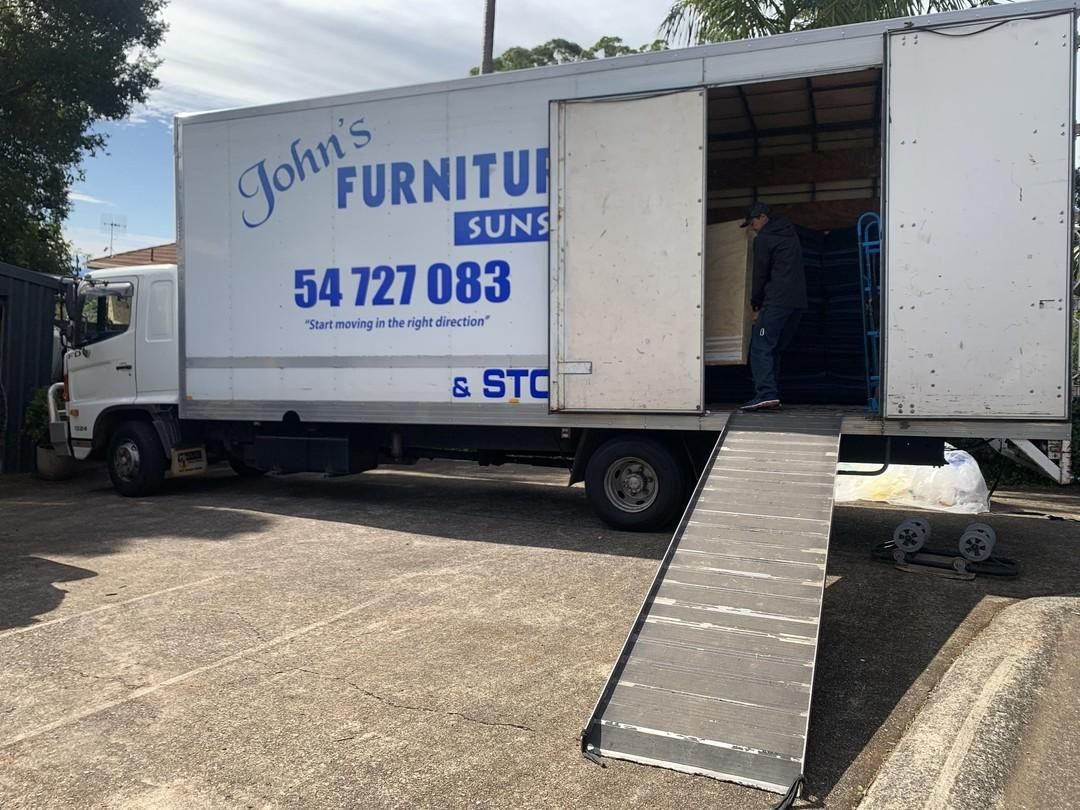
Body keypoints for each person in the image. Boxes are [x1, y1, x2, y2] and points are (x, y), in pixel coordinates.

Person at [739, 202, 807, 411]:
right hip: (797, 303)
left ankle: (766, 393)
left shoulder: (765, 239)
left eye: (752, 223)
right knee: (774, 349)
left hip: (776, 301)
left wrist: (755, 303)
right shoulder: (790, 234)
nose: (752, 228)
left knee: (760, 347)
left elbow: (760, 274)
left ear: (762, 217)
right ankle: (771, 395)